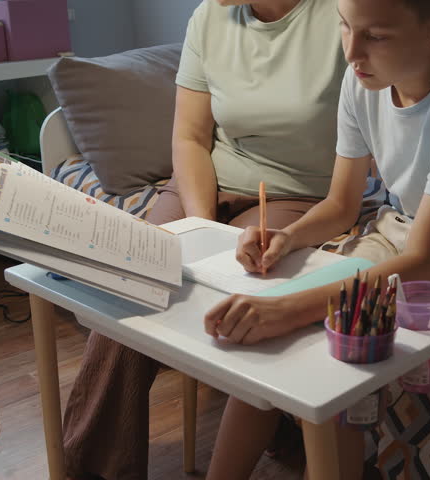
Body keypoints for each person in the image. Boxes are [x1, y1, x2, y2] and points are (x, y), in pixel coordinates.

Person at [202, 0, 430, 477]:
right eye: (345, 27)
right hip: (398, 228)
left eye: (376, 36)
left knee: (343, 346)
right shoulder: (363, 81)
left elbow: (424, 261)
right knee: (274, 337)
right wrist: (288, 236)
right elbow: (341, 206)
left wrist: (287, 309)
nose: (352, 52)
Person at [61, 1, 347, 478]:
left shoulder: (341, 16)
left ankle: (275, 419)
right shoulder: (210, 16)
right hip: (205, 182)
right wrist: (202, 227)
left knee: (234, 288)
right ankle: (91, 467)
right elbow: (191, 137)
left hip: (296, 192)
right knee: (132, 285)